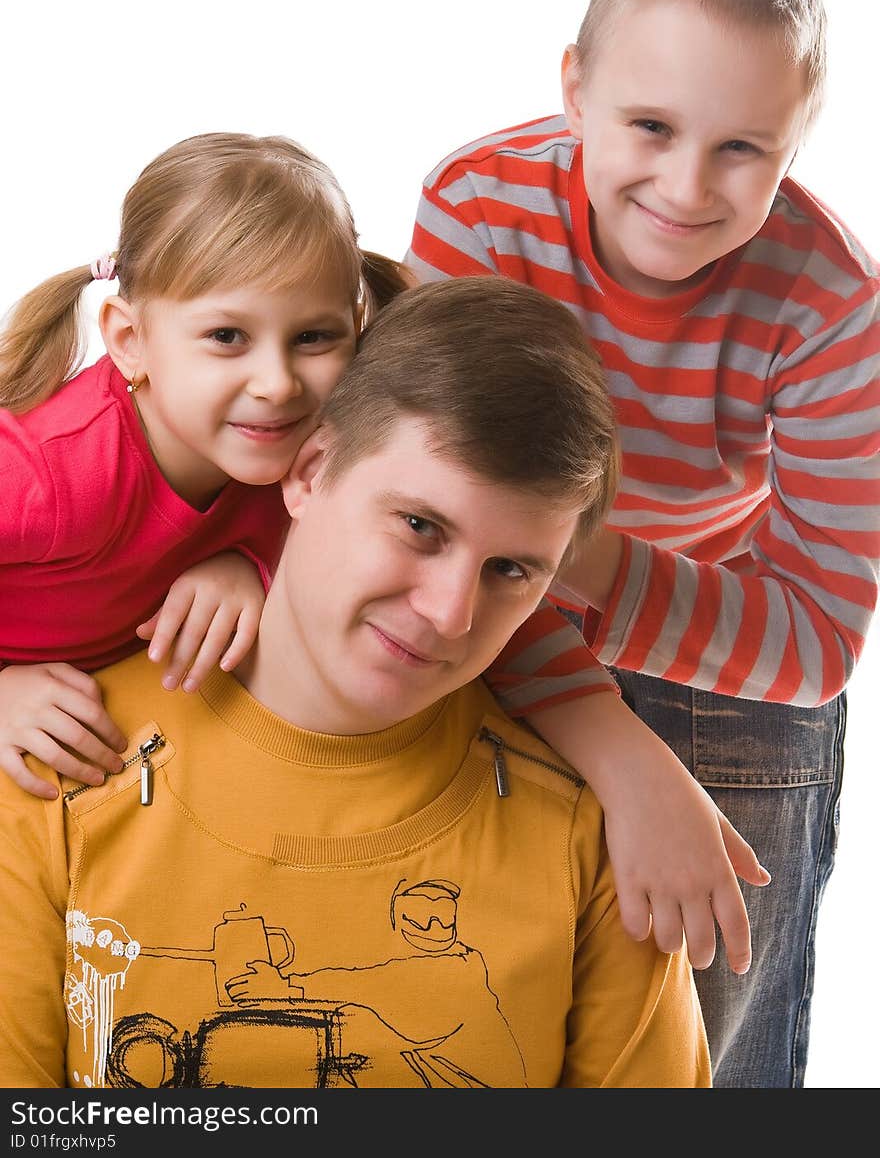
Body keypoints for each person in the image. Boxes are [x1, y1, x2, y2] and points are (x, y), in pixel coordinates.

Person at [0, 277, 710, 1090]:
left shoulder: (607, 843)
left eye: (510, 570)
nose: (450, 614)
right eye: (419, 526)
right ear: (308, 469)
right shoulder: (52, 772)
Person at [405, 0, 880, 1088]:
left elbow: (817, 637)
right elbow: (452, 512)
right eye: (650, 125)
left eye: (742, 150)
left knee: (714, 1038)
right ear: (575, 89)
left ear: (796, 146)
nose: (684, 185)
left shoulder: (831, 301)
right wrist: (611, 740)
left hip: (719, 638)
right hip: (510, 597)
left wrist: (590, 563)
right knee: (503, 998)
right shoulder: (478, 207)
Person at [0, 132, 407, 798]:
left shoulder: (311, 446)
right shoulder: (48, 475)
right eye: (227, 337)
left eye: (313, 337)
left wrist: (251, 567)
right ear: (131, 342)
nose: (277, 383)